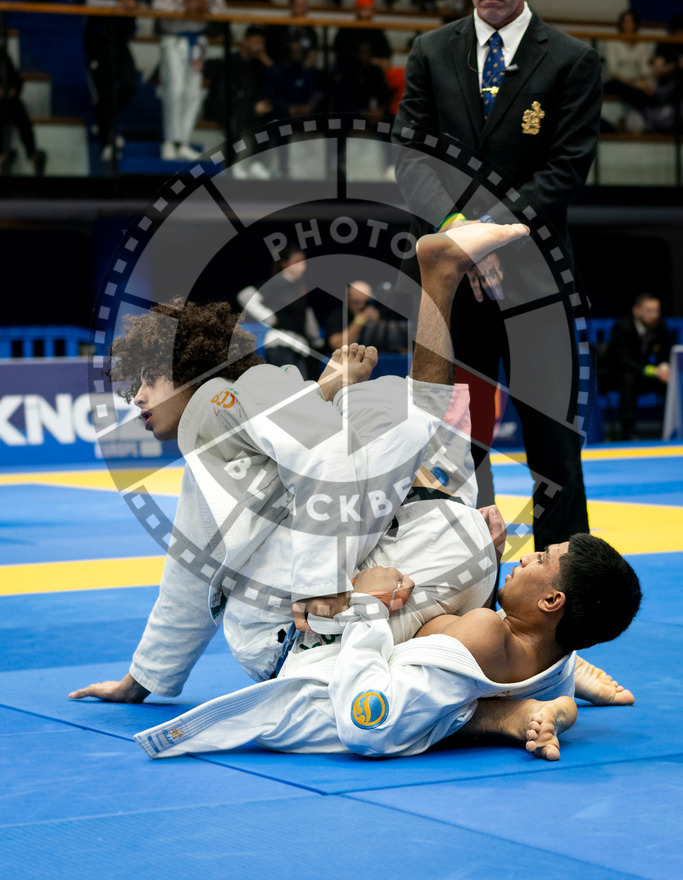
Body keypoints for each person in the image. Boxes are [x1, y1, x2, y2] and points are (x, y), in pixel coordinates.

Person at [68, 221, 531, 699]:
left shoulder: (216, 403)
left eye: (149, 379)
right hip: (420, 555)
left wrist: (320, 585)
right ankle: (435, 283)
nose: (137, 398)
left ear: (188, 370)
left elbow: (321, 454)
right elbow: (187, 582)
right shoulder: (212, 456)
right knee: (417, 416)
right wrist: (142, 680)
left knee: (409, 686)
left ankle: (434, 283)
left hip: (306, 635)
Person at [393, 0, 603, 552]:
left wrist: (487, 234)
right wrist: (458, 234)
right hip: (454, 288)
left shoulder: (571, 61)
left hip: (538, 281)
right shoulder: (432, 52)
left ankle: (564, 589)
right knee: (457, 442)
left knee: (554, 446)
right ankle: (461, 584)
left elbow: (565, 170)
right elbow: (411, 157)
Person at [133, 523, 640, 763]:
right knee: (464, 532)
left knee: (235, 513)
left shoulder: (485, 632)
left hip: (305, 676)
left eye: (541, 559)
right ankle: (556, 695)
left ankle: (515, 711)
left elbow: (366, 726)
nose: (527, 558)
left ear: (551, 601)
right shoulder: (540, 650)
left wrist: (369, 607)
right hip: (541, 665)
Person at [74, 0, 155, 160]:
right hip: (98, 41)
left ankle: (105, 120)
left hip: (119, 42)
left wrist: (136, 3)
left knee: (130, 83)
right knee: (104, 92)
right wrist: (116, 3)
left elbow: (152, 1)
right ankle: (107, 143)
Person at [152, 0, 226, 161]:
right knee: (174, 90)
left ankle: (183, 142)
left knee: (193, 93)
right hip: (173, 40)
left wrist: (205, 9)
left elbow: (220, 11)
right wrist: (183, 8)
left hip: (197, 43)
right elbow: (156, 8)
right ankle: (170, 141)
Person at [237, 245, 323, 377]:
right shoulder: (277, 282)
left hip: (299, 345)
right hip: (281, 345)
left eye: (303, 261)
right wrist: (270, 317)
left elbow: (305, 313)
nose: (302, 266)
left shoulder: (298, 286)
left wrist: (315, 338)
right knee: (286, 385)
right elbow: (245, 296)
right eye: (297, 262)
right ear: (285, 263)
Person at [606, 294, 672, 440]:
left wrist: (664, 368)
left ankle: (672, 430)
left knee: (671, 381)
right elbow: (624, 360)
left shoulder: (659, 325)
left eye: (656, 310)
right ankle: (629, 433)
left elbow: (665, 351)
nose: (654, 315)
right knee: (628, 379)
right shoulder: (622, 327)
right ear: (636, 310)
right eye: (649, 311)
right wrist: (653, 370)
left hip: (643, 374)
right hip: (617, 374)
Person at [602, 10, 656, 133]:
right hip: (615, 82)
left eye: (631, 22)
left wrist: (647, 84)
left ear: (635, 24)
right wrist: (633, 83)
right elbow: (613, 70)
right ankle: (644, 122)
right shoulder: (613, 41)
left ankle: (640, 122)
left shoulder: (641, 43)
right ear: (621, 24)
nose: (628, 25)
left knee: (649, 91)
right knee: (630, 90)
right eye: (625, 22)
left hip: (636, 83)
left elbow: (644, 69)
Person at [0, 51, 47, 176]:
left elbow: (17, 79)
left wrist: (14, 89)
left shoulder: (4, 58)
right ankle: (2, 156)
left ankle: (32, 155)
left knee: (20, 113)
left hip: (8, 101)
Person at [333, 0, 392, 72]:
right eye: (363, 9)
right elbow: (341, 52)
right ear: (357, 10)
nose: (365, 13)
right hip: (350, 69)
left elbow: (386, 54)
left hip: (373, 70)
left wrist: (376, 62)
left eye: (368, 10)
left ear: (372, 11)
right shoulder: (346, 29)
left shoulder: (377, 31)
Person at [264, 0, 319, 67]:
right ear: (291, 6)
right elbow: (272, 52)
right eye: (298, 6)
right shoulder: (277, 29)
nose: (301, 10)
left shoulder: (311, 32)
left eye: (304, 6)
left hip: (303, 67)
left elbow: (312, 54)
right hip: (282, 66)